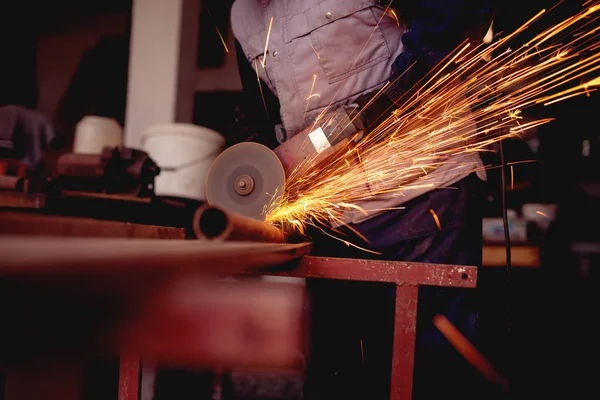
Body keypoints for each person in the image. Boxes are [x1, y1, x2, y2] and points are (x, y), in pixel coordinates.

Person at [230, 1, 497, 399]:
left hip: (420, 192)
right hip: (331, 216)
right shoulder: (241, 14)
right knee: (342, 376)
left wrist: (343, 129)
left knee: (429, 374)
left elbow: (452, 24)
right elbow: (259, 111)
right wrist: (260, 157)